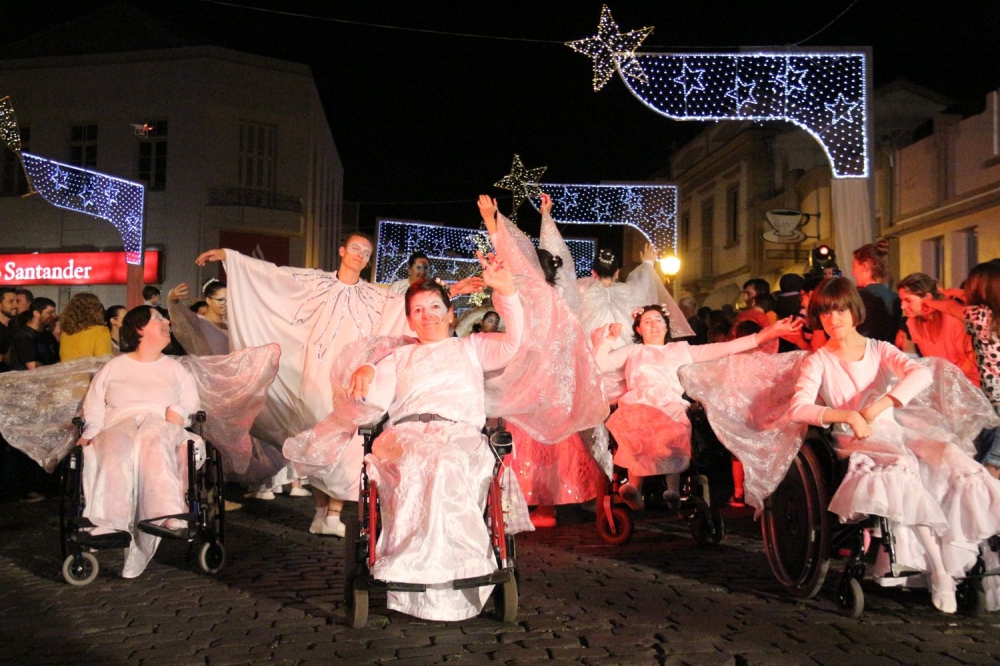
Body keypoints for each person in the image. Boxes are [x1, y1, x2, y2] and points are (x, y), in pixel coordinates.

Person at [196, 235, 482, 536]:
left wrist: (451, 291)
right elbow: (275, 276)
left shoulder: (375, 295)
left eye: (366, 252)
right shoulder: (314, 280)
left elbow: (412, 309)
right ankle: (321, 514)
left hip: (349, 378)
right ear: (342, 250)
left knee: (346, 444)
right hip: (314, 377)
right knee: (318, 442)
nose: (360, 255)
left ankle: (333, 514)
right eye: (355, 249)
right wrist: (231, 256)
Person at [788, 277, 1000, 613]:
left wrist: (880, 405)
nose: (834, 319)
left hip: (892, 426)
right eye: (826, 313)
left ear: (854, 312)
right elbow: (799, 407)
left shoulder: (879, 349)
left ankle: (967, 555)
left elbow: (920, 374)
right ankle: (940, 571)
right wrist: (847, 414)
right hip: (854, 438)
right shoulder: (818, 361)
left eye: (840, 310)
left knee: (951, 457)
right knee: (899, 467)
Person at [345, 253, 521, 621]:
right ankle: (415, 566)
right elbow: (373, 403)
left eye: (435, 307)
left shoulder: (471, 348)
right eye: (419, 310)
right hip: (405, 435)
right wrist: (365, 370)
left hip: (461, 435)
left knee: (446, 462)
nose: (428, 315)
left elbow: (513, 344)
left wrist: (507, 293)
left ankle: (459, 567)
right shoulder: (398, 357)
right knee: (431, 461)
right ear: (410, 320)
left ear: (450, 312)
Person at [594, 304, 800, 510]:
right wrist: (609, 340)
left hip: (670, 405)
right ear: (639, 329)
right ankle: (635, 489)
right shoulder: (633, 351)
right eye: (647, 322)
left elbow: (727, 348)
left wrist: (770, 332)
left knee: (673, 428)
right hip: (638, 404)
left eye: (658, 320)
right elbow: (600, 364)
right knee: (637, 428)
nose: (654, 326)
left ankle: (673, 490)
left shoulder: (681, 350)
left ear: (666, 326)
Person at [77, 306, 201, 578]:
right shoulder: (114, 366)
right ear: (140, 328)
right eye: (159, 318)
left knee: (152, 440)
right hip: (120, 421)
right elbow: (95, 403)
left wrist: (178, 411)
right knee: (114, 446)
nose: (167, 321)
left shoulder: (175, 368)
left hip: (161, 421)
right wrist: (91, 430)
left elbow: (192, 401)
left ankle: (165, 513)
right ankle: (108, 521)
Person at [923, 260, 1000, 477]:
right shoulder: (992, 315)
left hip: (996, 399)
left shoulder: (982, 317)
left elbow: (953, 308)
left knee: (991, 464)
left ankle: (987, 507)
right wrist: (950, 292)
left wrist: (932, 303)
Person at [897, 272, 979, 387]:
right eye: (901, 301)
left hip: (970, 387)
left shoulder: (953, 321)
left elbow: (971, 363)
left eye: (908, 300)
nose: (903, 307)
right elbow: (931, 362)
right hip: (943, 388)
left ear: (928, 298)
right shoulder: (913, 324)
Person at [852, 240, 902, 344]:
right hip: (888, 354)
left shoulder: (859, 298)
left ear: (865, 266)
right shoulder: (896, 298)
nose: (853, 272)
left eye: (854, 267)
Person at [59, 293, 113, 362]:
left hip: (67, 372)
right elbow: (104, 361)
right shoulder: (100, 331)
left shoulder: (65, 332)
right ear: (95, 310)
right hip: (92, 372)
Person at [9, 297, 59, 370]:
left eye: (54, 312)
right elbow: (33, 366)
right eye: (50, 313)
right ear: (36, 313)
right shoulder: (24, 337)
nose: (54, 316)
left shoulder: (48, 335)